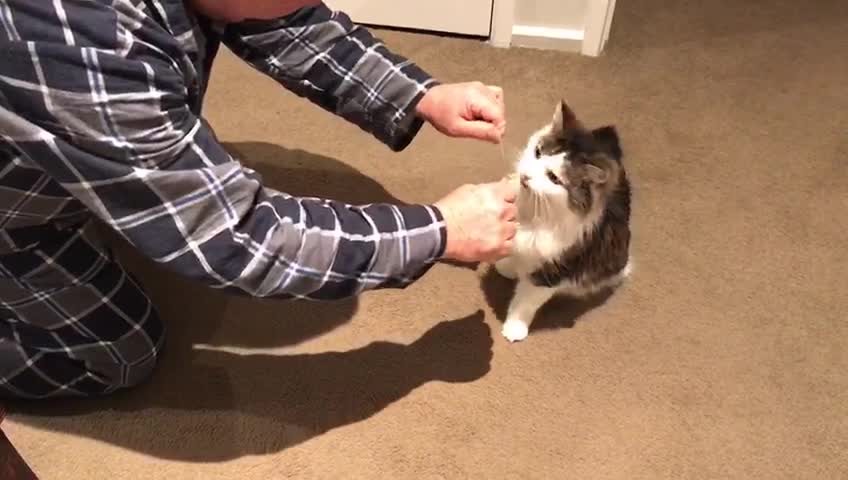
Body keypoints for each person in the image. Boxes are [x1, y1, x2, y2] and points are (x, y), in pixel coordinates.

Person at [0, 1, 517, 399]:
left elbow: (273, 18)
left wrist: (421, 93)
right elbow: (233, 234)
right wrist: (440, 230)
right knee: (117, 351)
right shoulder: (86, 42)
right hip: (15, 218)